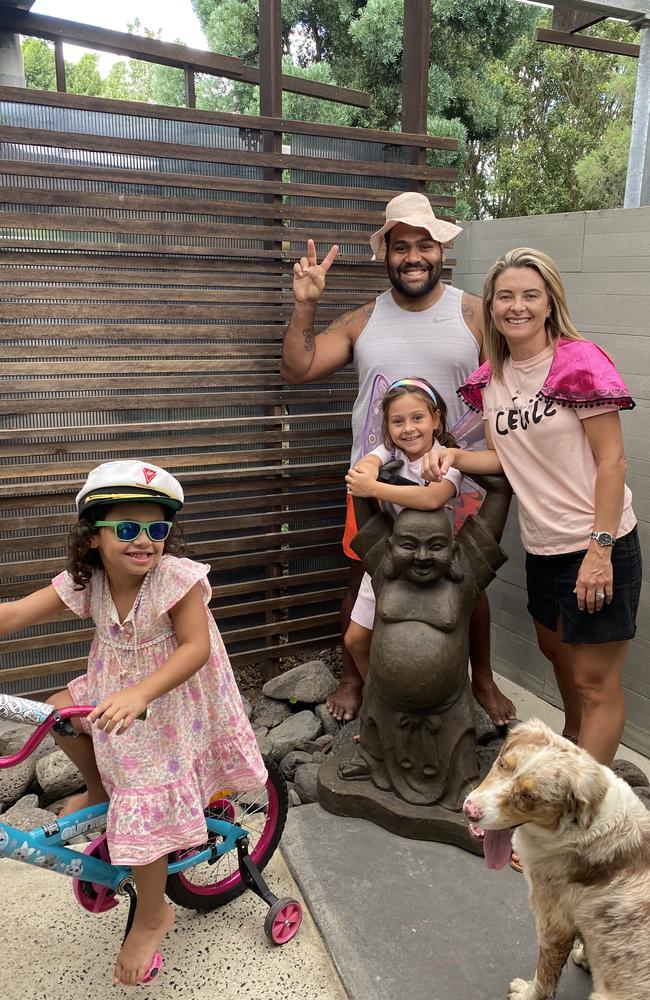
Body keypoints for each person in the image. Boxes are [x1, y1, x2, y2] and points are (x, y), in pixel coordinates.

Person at [0, 460, 267, 986]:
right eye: (126, 529)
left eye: (156, 529)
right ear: (94, 538)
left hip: (169, 699)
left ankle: (152, 915)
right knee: (59, 713)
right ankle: (100, 784)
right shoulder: (89, 581)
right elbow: (14, 614)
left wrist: (141, 692)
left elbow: (195, 648)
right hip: (112, 687)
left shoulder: (174, 579)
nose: (144, 541)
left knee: (143, 802)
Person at [280, 190, 515, 726]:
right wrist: (306, 304)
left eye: (424, 244)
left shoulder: (475, 314)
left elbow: (518, 377)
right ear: (384, 254)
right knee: (363, 575)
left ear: (440, 251)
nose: (414, 256)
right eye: (401, 246)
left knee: (468, 582)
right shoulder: (365, 320)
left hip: (458, 479)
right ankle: (352, 678)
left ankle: (481, 679)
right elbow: (298, 368)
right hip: (373, 481)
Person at [423, 247, 641, 771]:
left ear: (549, 304)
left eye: (529, 296)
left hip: (597, 544)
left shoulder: (578, 362)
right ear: (492, 308)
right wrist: (454, 454)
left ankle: (579, 816)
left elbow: (612, 461)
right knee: (558, 658)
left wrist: (600, 550)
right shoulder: (495, 377)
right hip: (544, 547)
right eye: (505, 297)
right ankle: (570, 746)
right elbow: (507, 458)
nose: (516, 306)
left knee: (595, 683)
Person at [344, 377, 462, 682]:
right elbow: (369, 462)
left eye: (417, 418)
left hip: (432, 567)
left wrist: (374, 487)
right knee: (356, 640)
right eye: (397, 421)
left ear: (436, 419)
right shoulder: (391, 452)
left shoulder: (447, 456)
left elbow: (432, 497)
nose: (408, 428)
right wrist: (368, 469)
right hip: (389, 561)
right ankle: (379, 700)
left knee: (432, 646)